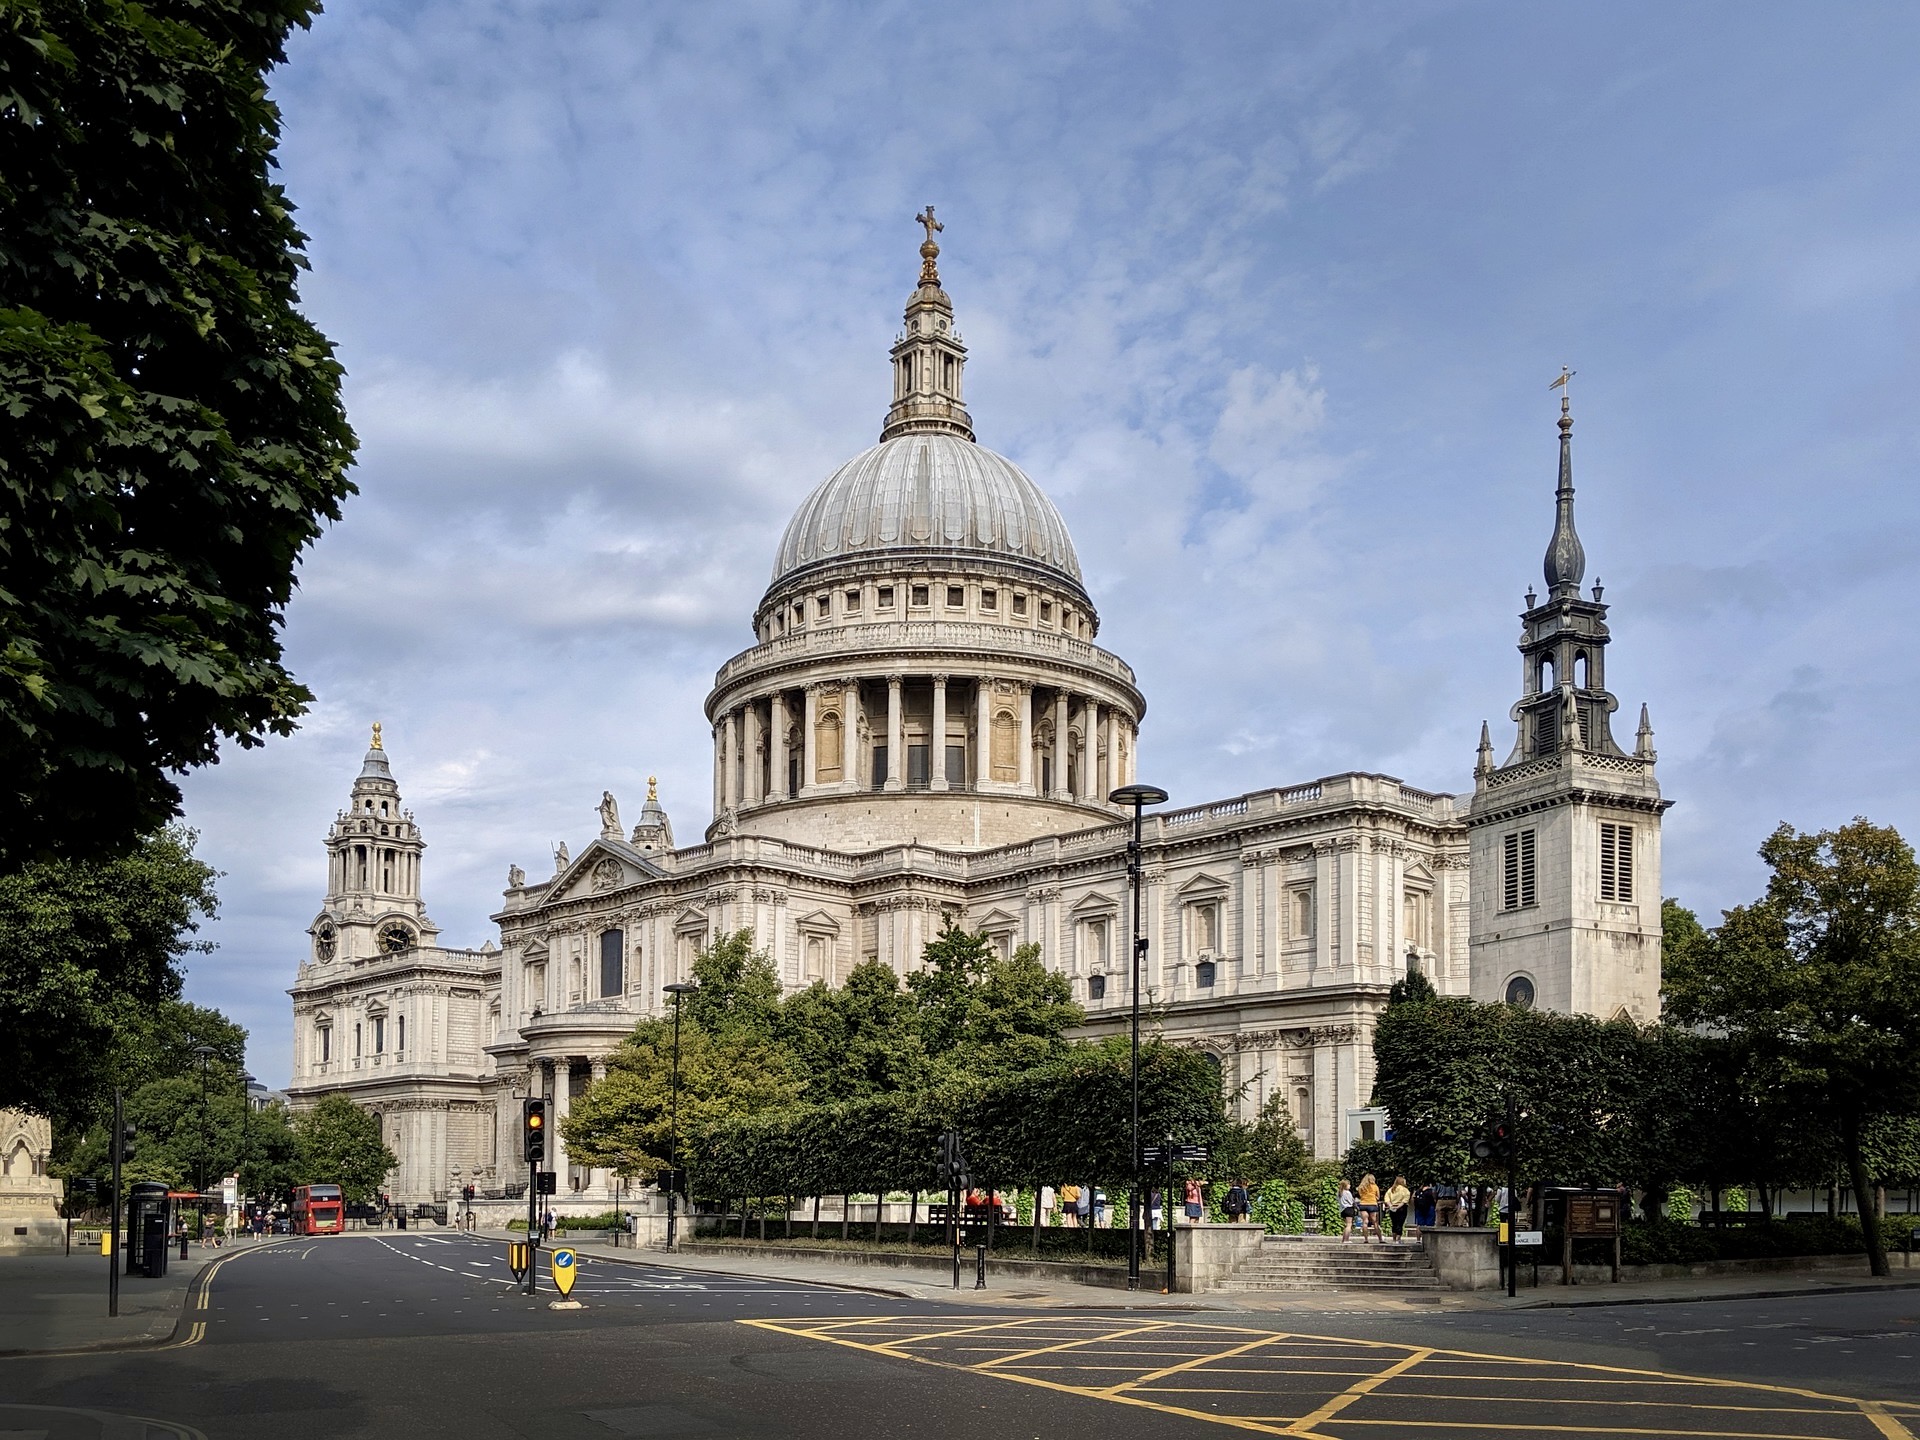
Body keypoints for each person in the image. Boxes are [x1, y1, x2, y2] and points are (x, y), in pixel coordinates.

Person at [1383, 1175, 1411, 1243]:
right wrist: (1398, 1207)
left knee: (1394, 1223)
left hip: (1392, 1207)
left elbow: (1386, 1198)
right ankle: (1398, 1239)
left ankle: (1394, 1239)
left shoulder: (1391, 1189)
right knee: (1400, 1223)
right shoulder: (1405, 1190)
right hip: (1401, 1208)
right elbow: (1405, 1201)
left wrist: (1391, 1206)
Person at [1356, 1173, 1381, 1242]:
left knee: (1365, 1222)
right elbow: (1378, 1197)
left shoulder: (1361, 1187)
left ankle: (1366, 1239)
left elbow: (1361, 1196)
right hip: (1372, 1204)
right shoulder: (1375, 1186)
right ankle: (1380, 1239)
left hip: (1363, 1204)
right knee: (1375, 1222)